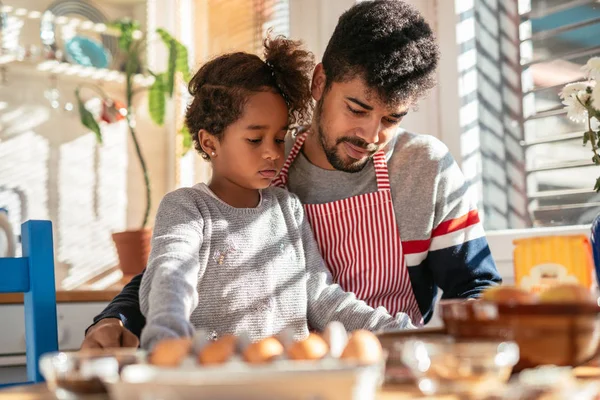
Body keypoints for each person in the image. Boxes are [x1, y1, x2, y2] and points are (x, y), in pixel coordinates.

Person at [81, 0, 500, 350]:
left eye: (391, 118)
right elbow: (176, 268)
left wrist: (442, 350)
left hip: (393, 366)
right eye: (356, 109)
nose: (371, 135)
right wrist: (114, 319)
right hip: (288, 373)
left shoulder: (423, 167)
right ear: (320, 82)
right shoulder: (267, 168)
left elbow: (476, 286)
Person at [136, 35, 412, 350]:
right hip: (216, 379)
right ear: (210, 143)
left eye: (279, 139)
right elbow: (171, 275)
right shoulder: (188, 207)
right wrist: (166, 338)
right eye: (255, 140)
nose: (272, 153)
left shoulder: (287, 209)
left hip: (289, 379)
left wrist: (396, 330)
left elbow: (322, 297)